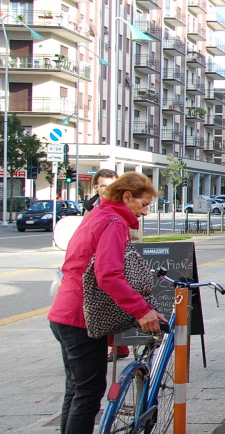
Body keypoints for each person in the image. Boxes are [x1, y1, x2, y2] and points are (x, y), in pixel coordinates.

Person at [48, 172, 165, 433]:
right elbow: (108, 274)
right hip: (82, 317)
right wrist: (142, 309)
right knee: (89, 394)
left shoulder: (97, 215)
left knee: (77, 390)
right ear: (127, 197)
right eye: (143, 204)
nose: (145, 212)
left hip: (64, 312)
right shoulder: (114, 222)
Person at [80, 169, 131, 362]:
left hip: (112, 263)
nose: (107, 190)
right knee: (99, 306)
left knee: (115, 304)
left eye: (112, 185)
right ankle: (107, 344)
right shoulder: (91, 207)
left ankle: (120, 345)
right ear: (96, 187)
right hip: (92, 265)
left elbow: (133, 239)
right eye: (103, 186)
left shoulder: (121, 210)